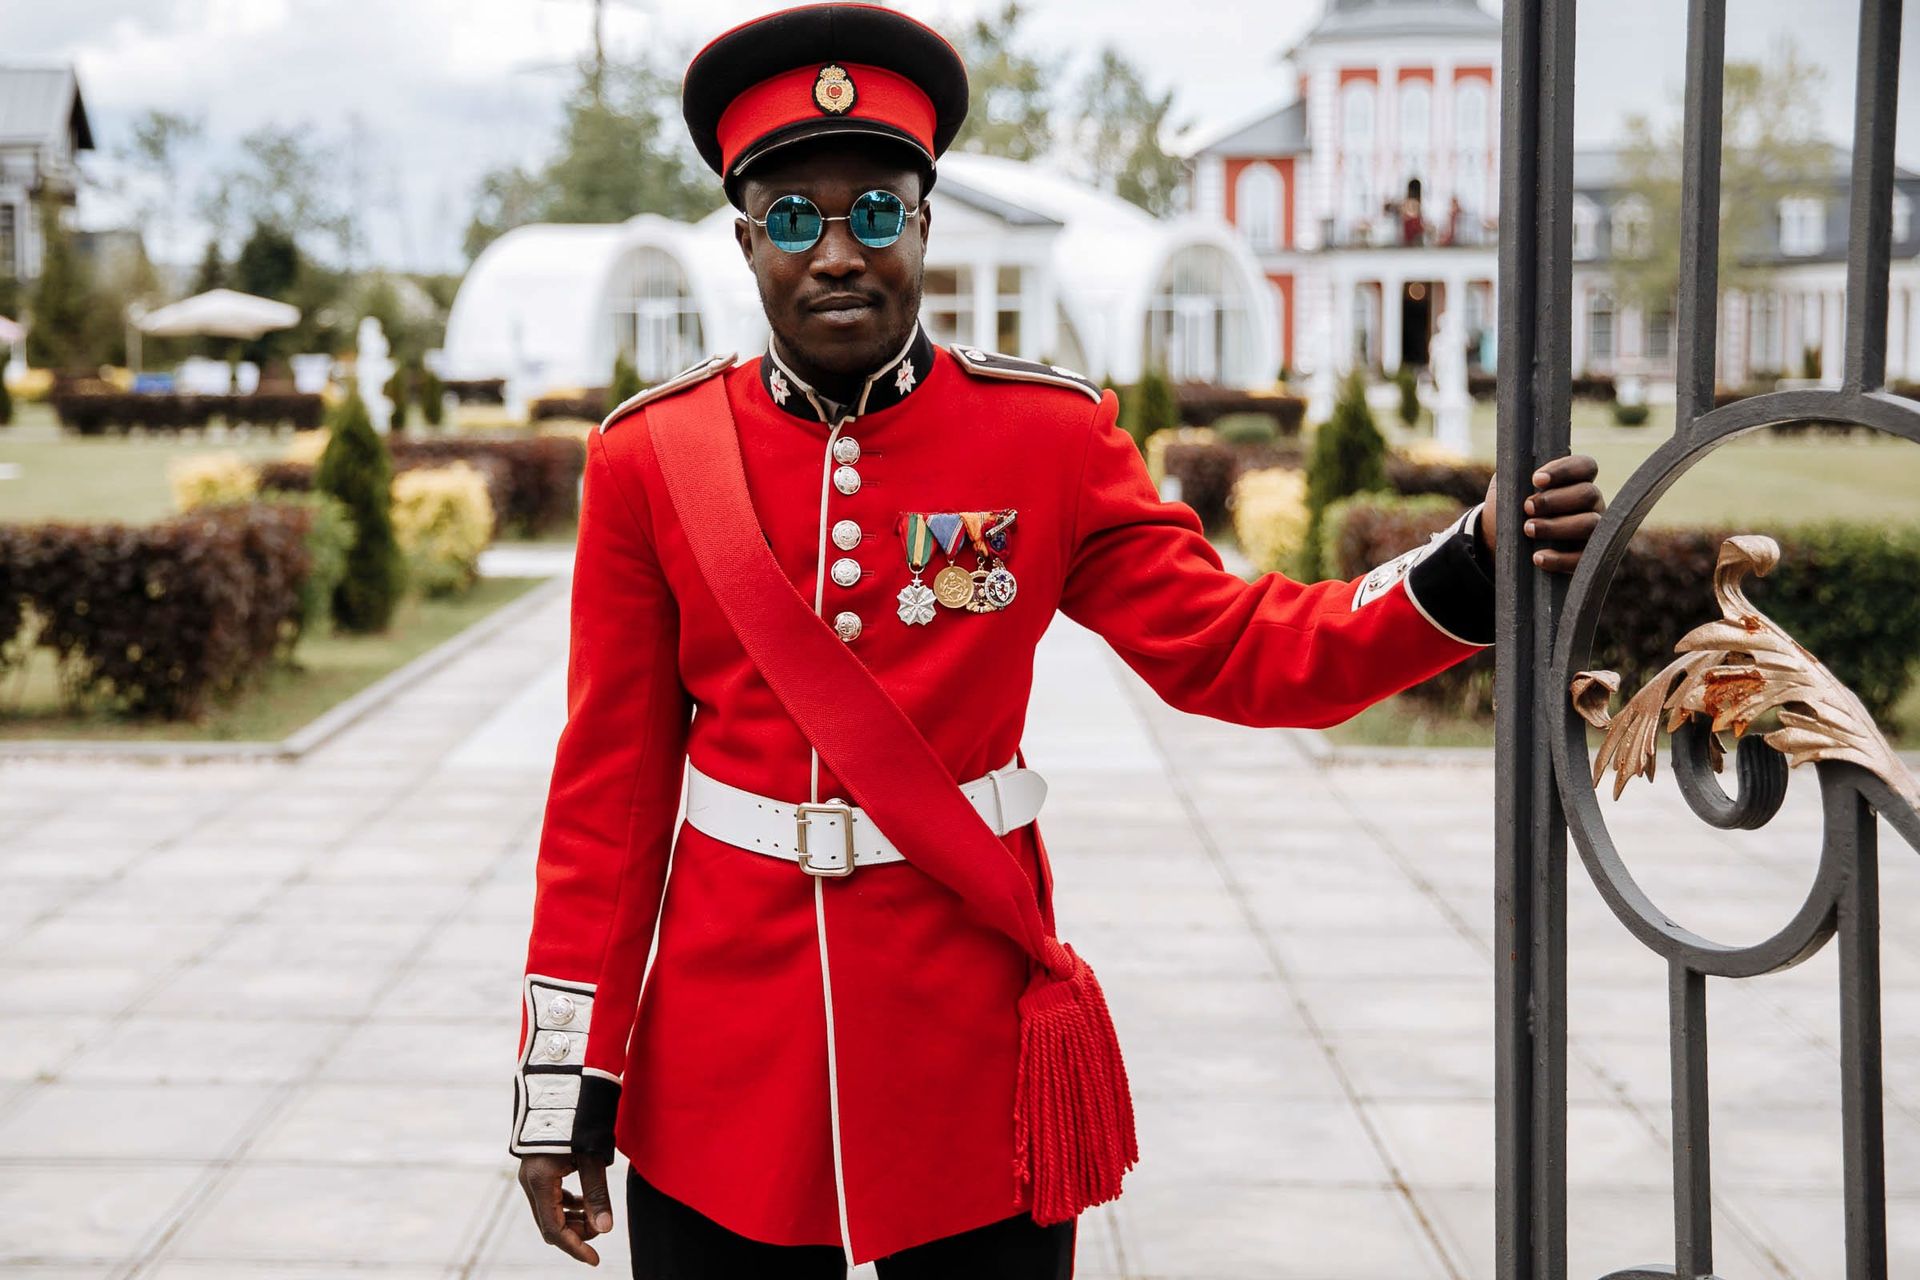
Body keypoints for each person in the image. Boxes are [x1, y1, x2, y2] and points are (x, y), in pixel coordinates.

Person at [510, 6, 1606, 1277]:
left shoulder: (1045, 439)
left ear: (924, 223)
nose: (838, 254)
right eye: (795, 218)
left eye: (875, 211)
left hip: (967, 1041)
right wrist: (567, 1079)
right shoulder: (652, 458)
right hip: (725, 1061)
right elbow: (609, 799)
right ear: (745, 238)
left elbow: (1234, 647)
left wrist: (1465, 565)